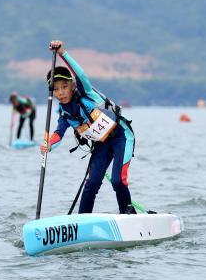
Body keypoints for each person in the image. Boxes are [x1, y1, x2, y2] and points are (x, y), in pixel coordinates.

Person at [40, 41, 136, 214]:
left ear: (73, 86)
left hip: (121, 135)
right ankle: (82, 220)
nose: (60, 92)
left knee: (117, 180)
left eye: (64, 87)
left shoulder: (85, 92)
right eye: (56, 89)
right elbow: (58, 134)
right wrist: (48, 146)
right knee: (91, 184)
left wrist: (62, 53)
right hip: (102, 144)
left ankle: (128, 215)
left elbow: (80, 74)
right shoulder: (64, 114)